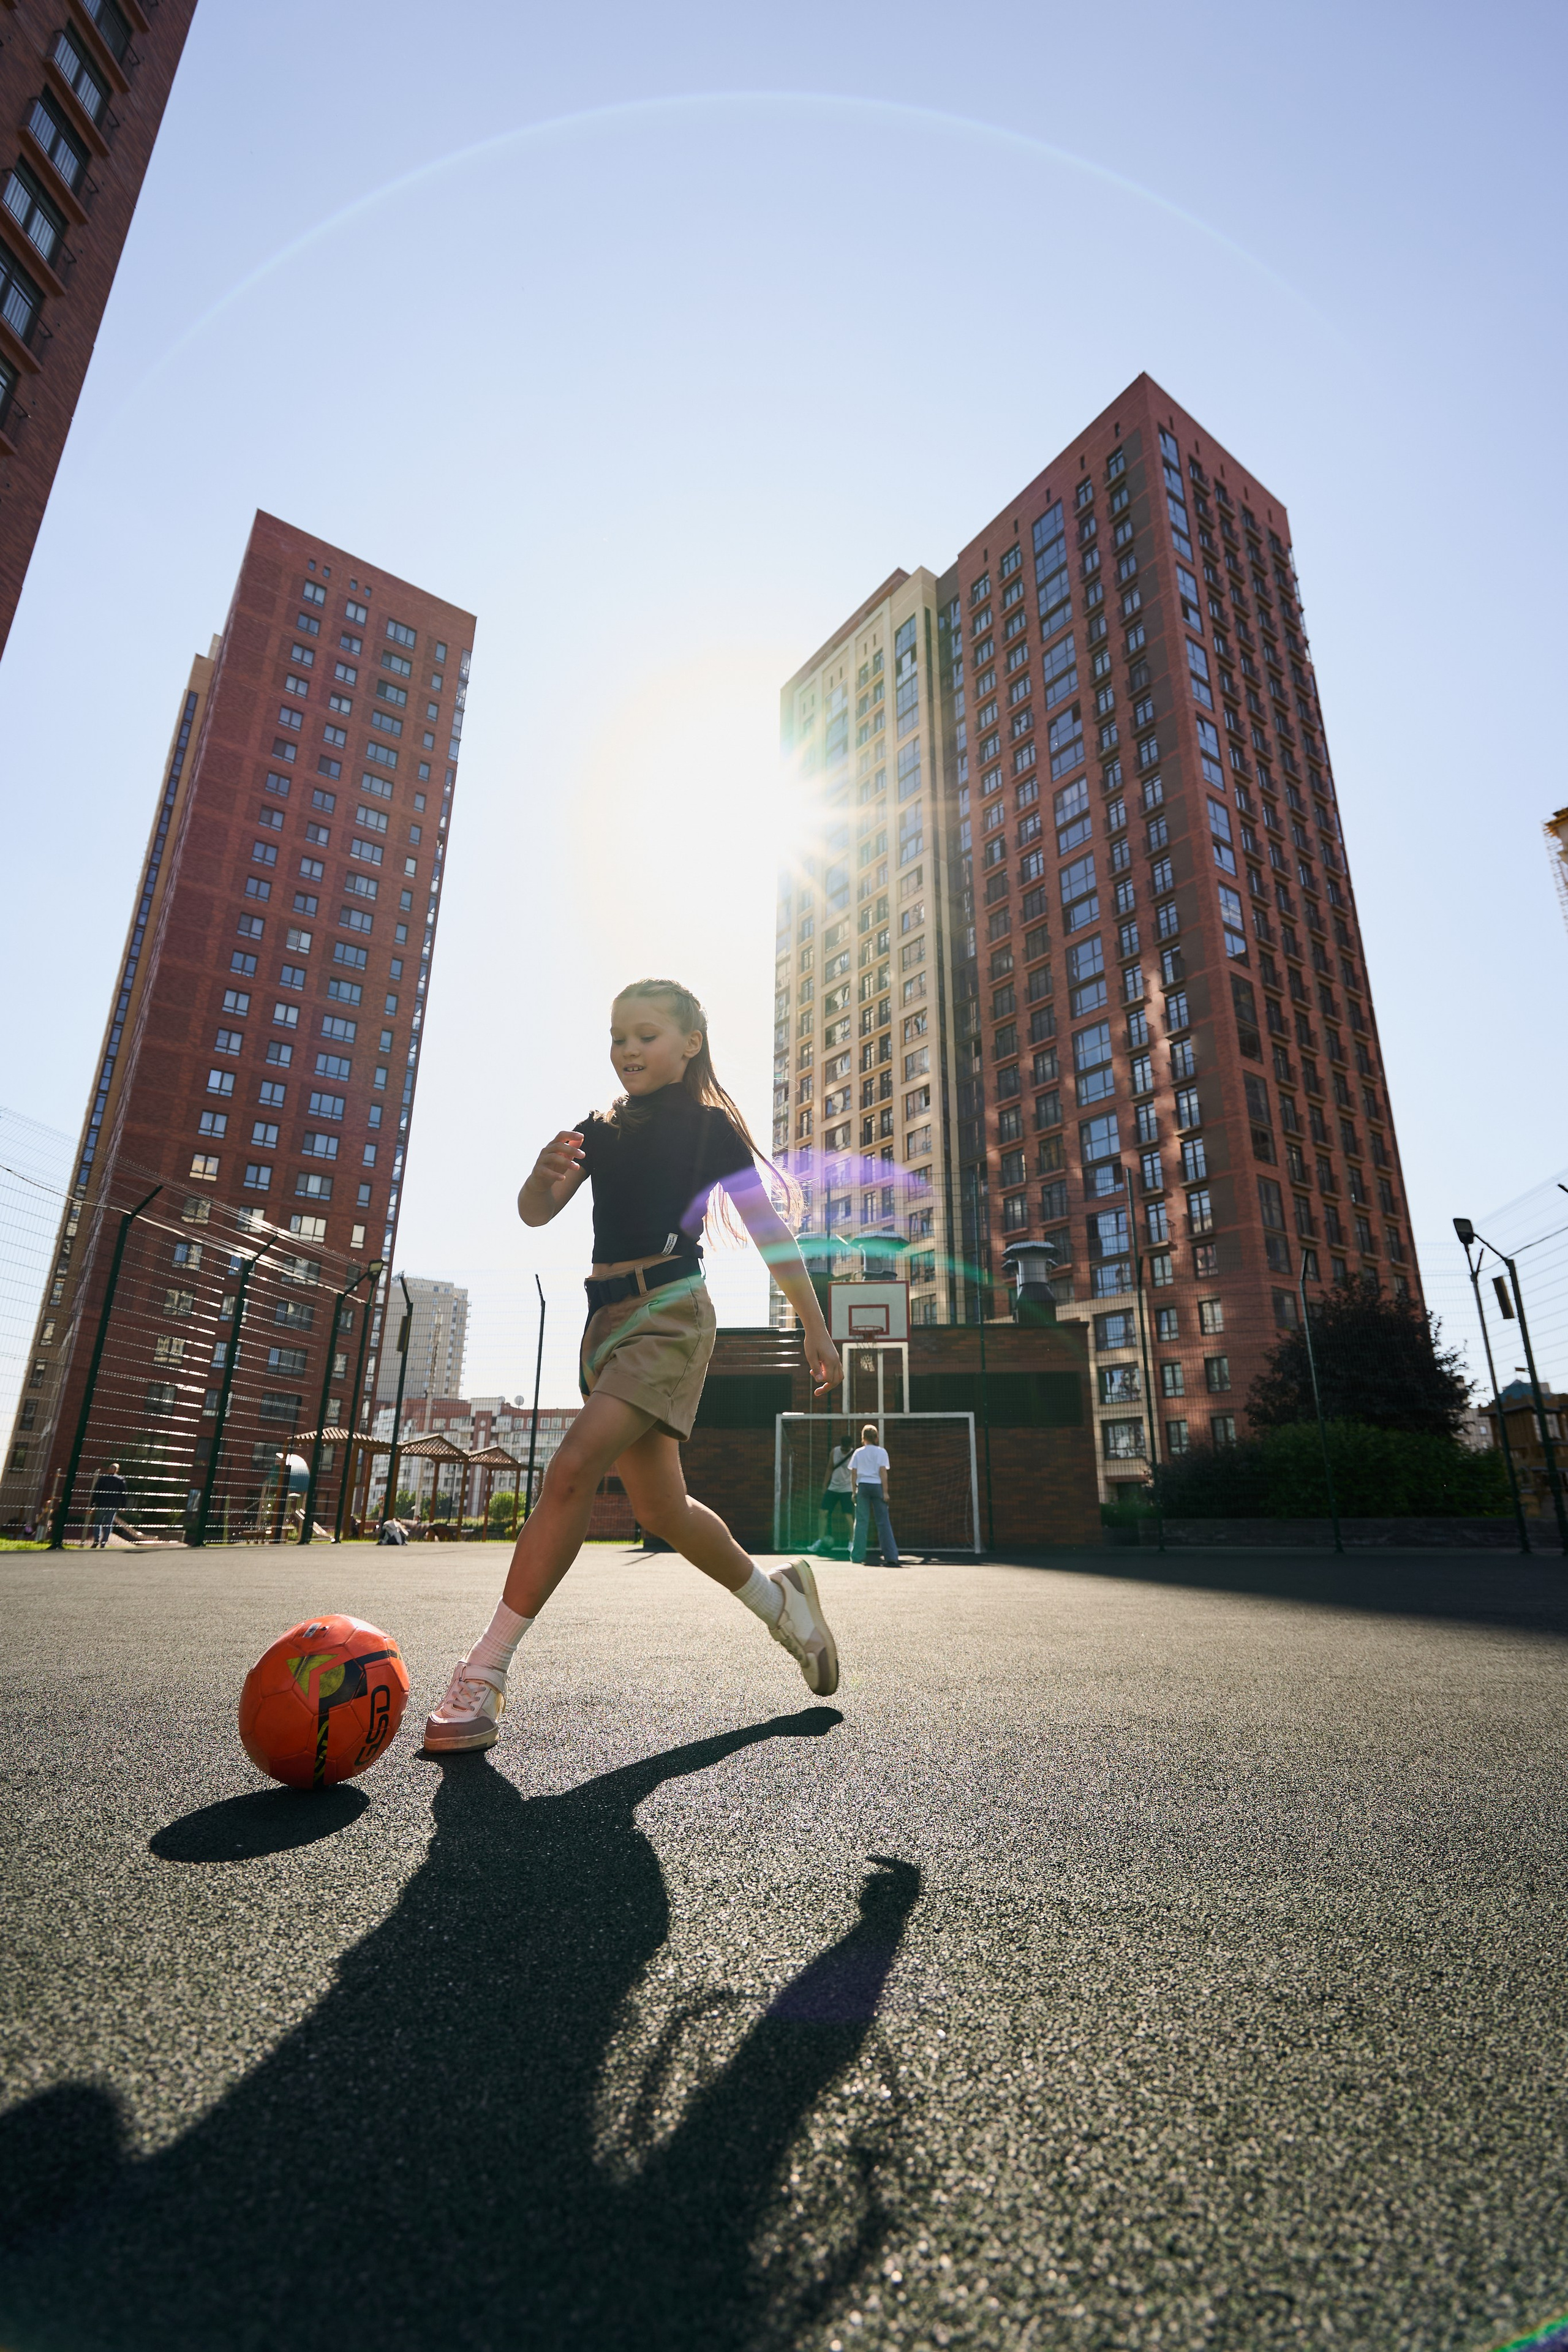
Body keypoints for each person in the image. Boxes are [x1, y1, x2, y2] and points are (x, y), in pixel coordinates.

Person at [423, 979, 843, 1754]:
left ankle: (482, 1673)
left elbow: (766, 1229)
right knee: (662, 1513)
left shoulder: (708, 1127)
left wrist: (815, 1326)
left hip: (671, 1311)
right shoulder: (602, 1126)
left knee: (573, 1466)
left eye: (645, 1035)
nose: (626, 1050)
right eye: (617, 1038)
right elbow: (535, 1211)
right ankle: (784, 1607)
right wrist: (538, 1174)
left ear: (689, 1044)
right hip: (604, 1320)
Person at [848, 1423, 900, 1566]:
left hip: (863, 1486)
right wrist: (885, 1492)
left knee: (861, 1522)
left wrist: (854, 1492)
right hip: (877, 1486)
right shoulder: (882, 1452)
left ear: (863, 1438)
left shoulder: (858, 1453)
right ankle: (891, 1556)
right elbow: (883, 1471)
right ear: (876, 1438)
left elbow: (853, 1473)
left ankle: (857, 1556)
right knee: (883, 1522)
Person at [815, 1439, 854, 1555]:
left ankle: (852, 1542)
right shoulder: (835, 1452)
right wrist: (825, 1484)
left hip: (847, 1489)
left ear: (851, 1447)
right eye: (843, 1449)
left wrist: (855, 1489)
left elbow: (856, 1472)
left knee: (848, 1516)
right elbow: (830, 1468)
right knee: (823, 1512)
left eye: (846, 1450)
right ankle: (820, 1540)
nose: (844, 1451)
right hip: (833, 1488)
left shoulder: (855, 1454)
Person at [88, 1463, 127, 1550]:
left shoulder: (102, 1479)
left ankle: (96, 1540)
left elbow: (96, 1493)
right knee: (108, 1524)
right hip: (113, 1505)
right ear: (117, 1470)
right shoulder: (120, 1480)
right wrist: (123, 1506)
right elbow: (123, 1495)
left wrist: (92, 1505)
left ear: (109, 1469)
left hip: (101, 1504)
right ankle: (104, 1542)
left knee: (98, 1523)